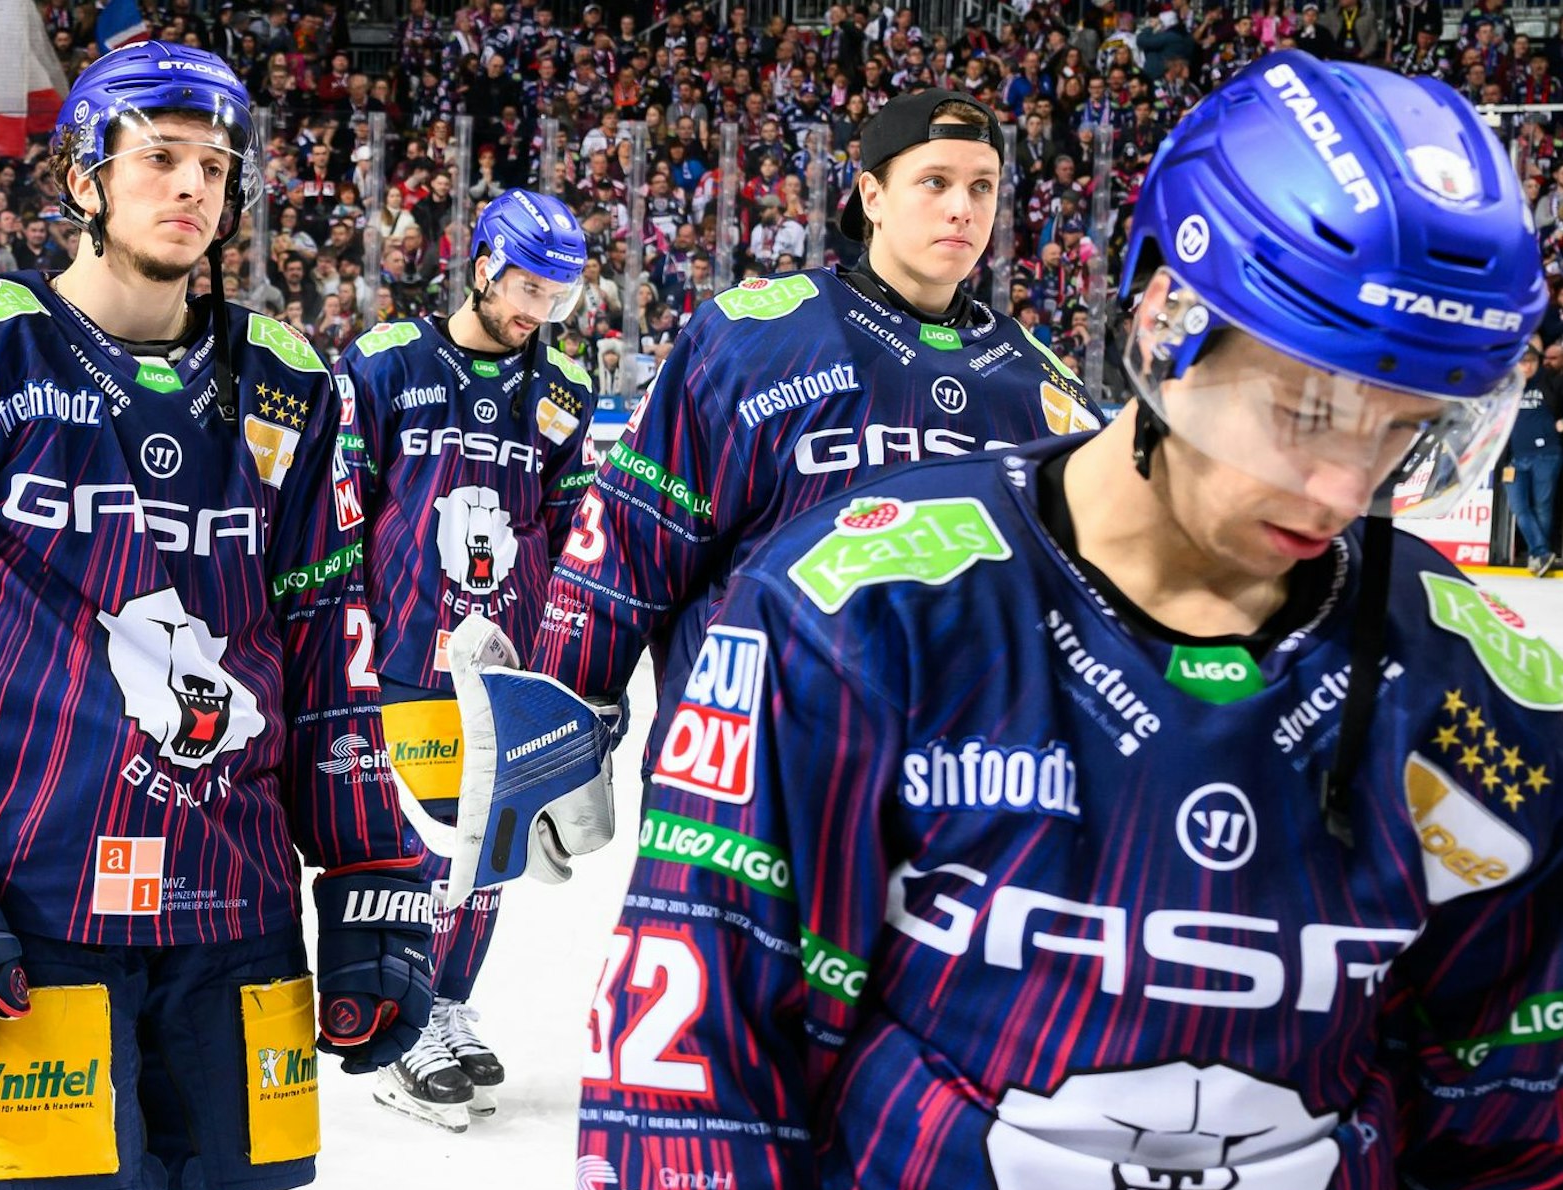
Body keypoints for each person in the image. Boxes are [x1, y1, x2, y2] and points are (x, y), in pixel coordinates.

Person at [570, 50, 1563, 1190]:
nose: (1343, 484)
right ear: (1168, 321)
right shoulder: (845, 606)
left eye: (1402, 433)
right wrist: (575, 700)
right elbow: (694, 1089)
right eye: (1302, 405)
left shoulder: (1479, 687)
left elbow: (1511, 1145)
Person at [0, 43, 433, 1190]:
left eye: (213, 164)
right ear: (85, 179)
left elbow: (331, 643)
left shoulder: (290, 380)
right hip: (31, 896)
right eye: (158, 157)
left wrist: (368, 871)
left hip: (233, 895)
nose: (192, 187)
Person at [400, 89, 1104, 903]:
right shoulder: (753, 336)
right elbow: (628, 541)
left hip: (968, 817)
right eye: (935, 181)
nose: (963, 208)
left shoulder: (1042, 388)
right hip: (742, 790)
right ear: (870, 195)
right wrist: (557, 721)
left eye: (983, 186)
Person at [336, 188, 597, 1131]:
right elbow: (338, 509)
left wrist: (566, 661)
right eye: (528, 285)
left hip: (507, 660)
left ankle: (443, 1001)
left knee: (489, 854)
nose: (538, 311)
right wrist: (341, 640)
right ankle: (398, 1030)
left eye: (559, 297)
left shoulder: (562, 392)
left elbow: (572, 532)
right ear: (481, 261)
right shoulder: (384, 363)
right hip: (404, 650)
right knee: (431, 849)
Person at [1506, 344, 1562, 576]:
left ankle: (1536, 556)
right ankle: (1540, 552)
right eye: (1523, 361)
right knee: (1518, 507)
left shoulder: (1550, 381)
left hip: (1547, 454)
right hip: (1514, 458)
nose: (1527, 366)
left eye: (1531, 361)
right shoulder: (1508, 387)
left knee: (1542, 506)